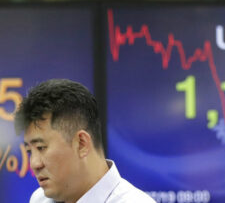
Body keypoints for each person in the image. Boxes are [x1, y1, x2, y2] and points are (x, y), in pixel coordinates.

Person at [14, 79, 156, 203]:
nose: (34, 164)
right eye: (29, 151)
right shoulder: (39, 199)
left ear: (81, 144)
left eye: (41, 147)